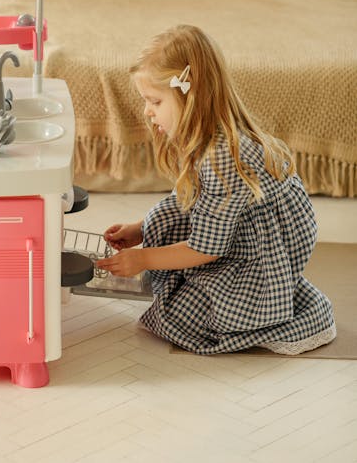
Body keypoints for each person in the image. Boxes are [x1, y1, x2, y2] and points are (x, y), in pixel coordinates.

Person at [96, 24, 336, 355]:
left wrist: (145, 258)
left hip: (260, 255)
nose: (147, 112)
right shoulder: (206, 138)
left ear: (189, 96)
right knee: (167, 214)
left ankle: (267, 311)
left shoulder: (224, 159)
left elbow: (207, 247)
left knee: (179, 317)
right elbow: (196, 200)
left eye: (154, 101)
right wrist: (141, 229)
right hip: (236, 233)